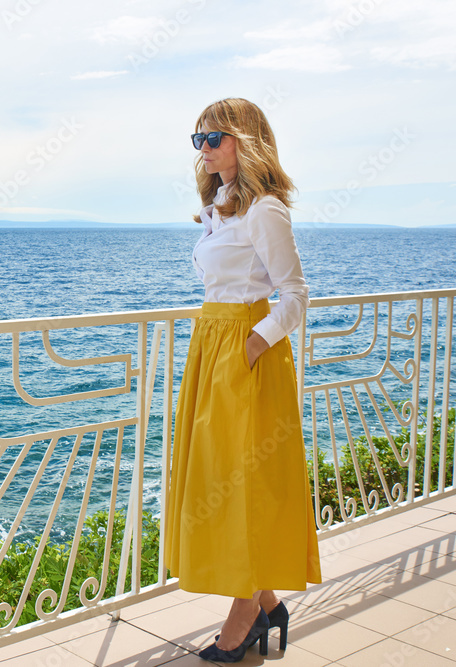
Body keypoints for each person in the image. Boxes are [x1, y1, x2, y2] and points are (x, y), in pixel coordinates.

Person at [163, 98, 322, 663]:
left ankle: (244, 613)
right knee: (218, 476)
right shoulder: (222, 208)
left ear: (244, 140)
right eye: (198, 138)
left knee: (243, 486)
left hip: (246, 354)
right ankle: (268, 603)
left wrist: (255, 342)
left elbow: (295, 295)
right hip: (213, 348)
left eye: (214, 137)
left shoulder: (265, 210)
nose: (203, 148)